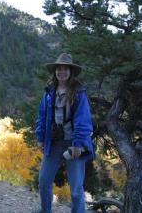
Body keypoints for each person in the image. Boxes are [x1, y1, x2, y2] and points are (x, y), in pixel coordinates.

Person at [35, 53, 94, 213]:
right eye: (59, 69)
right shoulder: (49, 92)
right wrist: (40, 138)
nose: (62, 72)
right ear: (55, 72)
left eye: (65, 69)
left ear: (71, 71)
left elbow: (83, 121)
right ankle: (45, 210)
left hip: (73, 145)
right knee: (44, 181)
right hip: (53, 143)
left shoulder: (78, 93)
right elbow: (41, 116)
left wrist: (77, 144)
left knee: (75, 189)